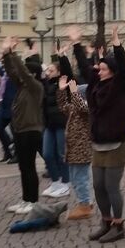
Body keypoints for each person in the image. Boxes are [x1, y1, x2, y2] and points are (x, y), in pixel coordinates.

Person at [72, 25, 125, 243]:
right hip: (99, 142)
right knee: (98, 186)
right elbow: (86, 69)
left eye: (102, 69)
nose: (99, 72)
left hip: (117, 143)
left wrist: (117, 44)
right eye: (99, 69)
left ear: (111, 70)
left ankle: (119, 226)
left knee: (111, 186)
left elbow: (123, 67)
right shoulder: (96, 87)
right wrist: (77, 45)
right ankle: (106, 222)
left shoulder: (121, 84)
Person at [0, 37, 45, 216]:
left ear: (33, 74)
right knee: (23, 167)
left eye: (27, 72)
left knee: (29, 167)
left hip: (31, 131)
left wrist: (14, 54)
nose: (22, 75)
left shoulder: (36, 87)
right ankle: (26, 199)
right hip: (20, 131)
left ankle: (33, 201)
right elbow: (12, 72)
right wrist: (6, 54)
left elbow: (22, 72)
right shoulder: (22, 87)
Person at [56, 76, 94, 220]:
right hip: (73, 149)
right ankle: (86, 202)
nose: (73, 96)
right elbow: (63, 106)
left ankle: (84, 205)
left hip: (81, 149)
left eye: (77, 94)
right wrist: (61, 91)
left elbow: (82, 107)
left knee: (80, 178)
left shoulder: (88, 108)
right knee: (74, 177)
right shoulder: (74, 108)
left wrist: (74, 92)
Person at [40, 50, 73, 198]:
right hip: (49, 125)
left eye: (51, 70)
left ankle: (65, 183)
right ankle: (55, 182)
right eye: (48, 70)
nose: (48, 73)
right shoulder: (47, 85)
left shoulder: (65, 83)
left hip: (62, 124)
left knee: (62, 154)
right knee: (47, 154)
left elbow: (68, 72)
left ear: (59, 72)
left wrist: (62, 57)